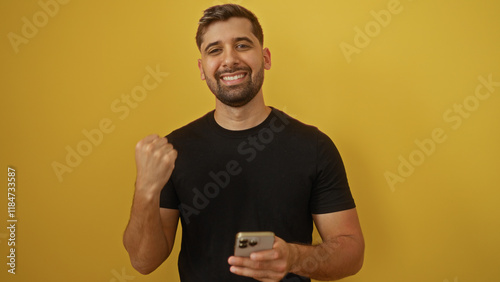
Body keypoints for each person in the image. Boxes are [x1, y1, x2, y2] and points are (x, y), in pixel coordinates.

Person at [123, 4, 364, 282]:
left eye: (242, 45)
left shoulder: (314, 147)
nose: (229, 60)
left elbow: (352, 252)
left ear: (266, 58)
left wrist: (295, 258)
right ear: (202, 69)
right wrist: (145, 191)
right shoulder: (172, 152)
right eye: (215, 50)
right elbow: (143, 262)